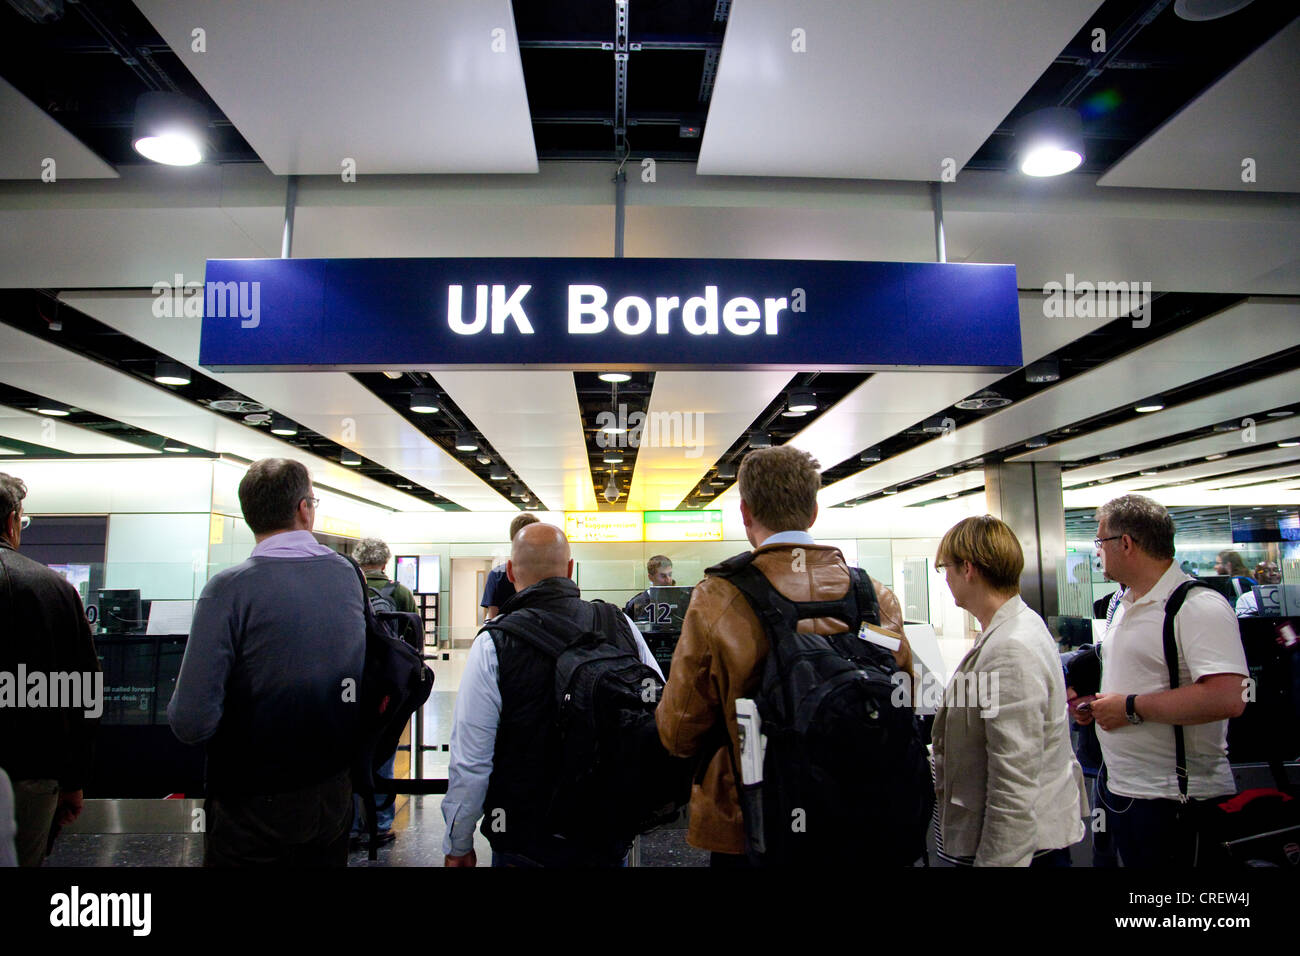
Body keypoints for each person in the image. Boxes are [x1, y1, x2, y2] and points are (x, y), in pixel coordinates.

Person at [654, 446, 912, 865]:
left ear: (745, 512)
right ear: (812, 511)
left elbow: (679, 732)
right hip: (866, 815)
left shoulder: (719, 597)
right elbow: (906, 697)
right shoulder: (875, 596)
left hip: (753, 821)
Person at [168, 458, 366, 866]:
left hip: (251, 802)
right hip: (331, 793)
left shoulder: (227, 589)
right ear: (304, 509)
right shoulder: (346, 575)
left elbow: (191, 719)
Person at [442, 522, 662, 867]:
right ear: (571, 569)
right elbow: (657, 709)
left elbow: (471, 760)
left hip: (524, 838)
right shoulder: (617, 622)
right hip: (605, 831)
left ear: (511, 572)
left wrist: (458, 842)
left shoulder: (493, 642)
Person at [1075, 494, 1247, 867]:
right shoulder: (1122, 604)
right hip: (1122, 789)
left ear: (1126, 543)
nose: (1097, 553)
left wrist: (1130, 708)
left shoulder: (1195, 606)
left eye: (1100, 542)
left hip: (1175, 801)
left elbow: (1228, 697)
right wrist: (1100, 705)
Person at [930, 515, 1089, 867]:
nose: (946, 579)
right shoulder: (1011, 628)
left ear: (968, 569)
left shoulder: (1011, 647)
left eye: (946, 567)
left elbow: (1013, 782)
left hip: (1022, 853)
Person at [0, 472, 100, 867]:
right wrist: (74, 779)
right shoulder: (55, 589)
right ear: (12, 521)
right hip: (33, 774)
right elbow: (83, 693)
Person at [349, 536, 420, 849]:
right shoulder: (400, 592)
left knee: (350, 754)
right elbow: (411, 636)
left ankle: (350, 825)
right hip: (388, 687)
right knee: (385, 750)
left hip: (351, 683)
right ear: (385, 562)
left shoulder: (349, 587)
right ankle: (380, 824)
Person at [481, 513, 539, 619]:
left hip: (508, 633)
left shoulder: (498, 574)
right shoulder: (548, 572)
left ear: (512, 538)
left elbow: (493, 618)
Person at [624, 554, 674, 623]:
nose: (668, 580)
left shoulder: (680, 601)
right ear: (650, 577)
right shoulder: (636, 604)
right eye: (663, 576)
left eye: (670, 575)